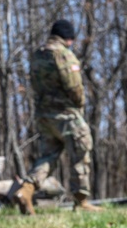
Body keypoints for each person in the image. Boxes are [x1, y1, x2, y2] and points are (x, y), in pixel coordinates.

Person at [12, 19, 102, 215]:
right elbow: (74, 86)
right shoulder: (63, 54)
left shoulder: (38, 55)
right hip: (66, 114)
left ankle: (26, 189)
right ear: (68, 38)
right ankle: (81, 201)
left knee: (49, 156)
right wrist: (79, 104)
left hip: (44, 115)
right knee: (81, 152)